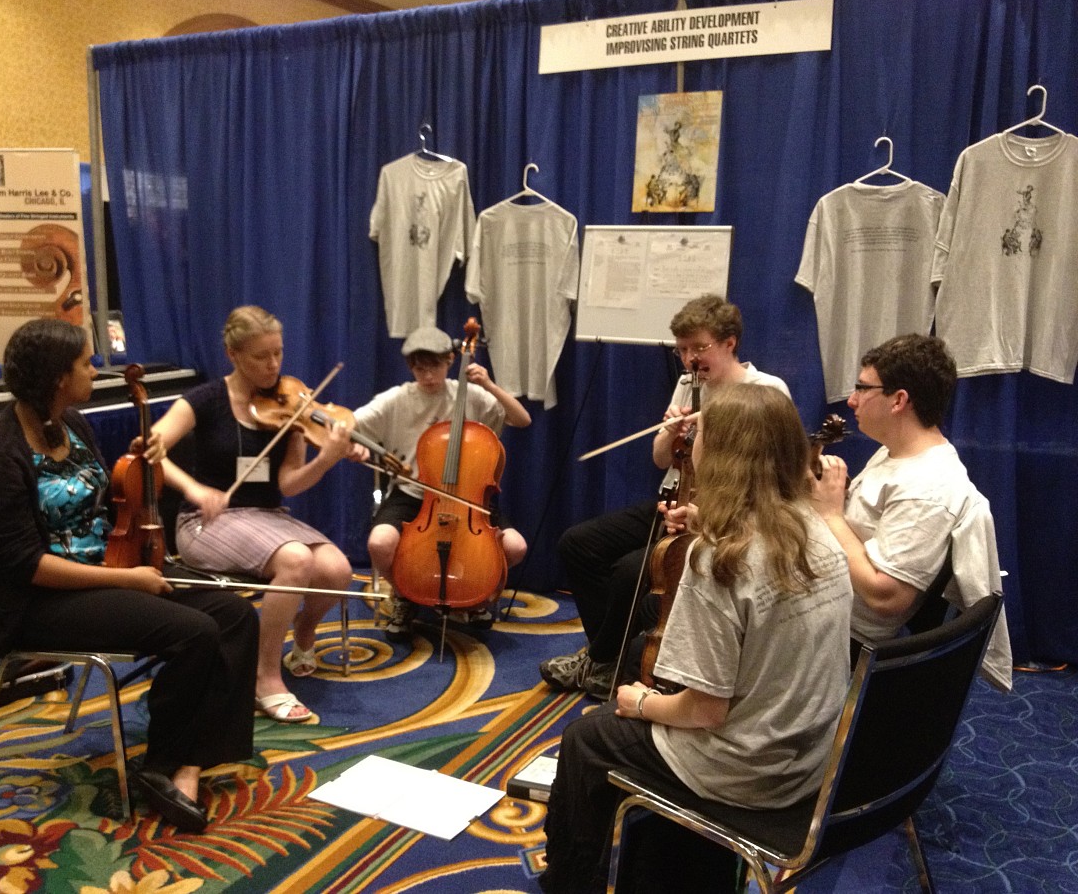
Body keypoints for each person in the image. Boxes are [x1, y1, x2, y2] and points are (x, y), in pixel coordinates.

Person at [540, 385, 853, 893]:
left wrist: (640, 704)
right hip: (812, 763)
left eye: (701, 433)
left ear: (723, 454)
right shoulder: (817, 529)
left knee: (587, 737)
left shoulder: (719, 561)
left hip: (748, 774)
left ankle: (569, 882)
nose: (692, 443)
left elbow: (704, 712)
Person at [0, 318, 258, 834]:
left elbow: (110, 504)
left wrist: (144, 484)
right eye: (85, 362)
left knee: (234, 613)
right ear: (58, 377)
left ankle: (193, 759)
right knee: (194, 632)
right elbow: (25, 566)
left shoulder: (74, 425)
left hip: (108, 569)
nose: (95, 368)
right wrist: (129, 580)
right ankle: (161, 768)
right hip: (38, 603)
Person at [540, 295, 790, 699]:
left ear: (729, 343)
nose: (690, 359)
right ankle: (612, 659)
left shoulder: (765, 389)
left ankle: (604, 659)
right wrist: (672, 433)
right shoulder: (688, 385)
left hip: (724, 513)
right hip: (675, 497)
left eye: (699, 348)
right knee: (578, 544)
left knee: (629, 572)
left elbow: (770, 469)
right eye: (683, 350)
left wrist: (714, 422)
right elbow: (660, 460)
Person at [152, 305, 360, 723]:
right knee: (297, 559)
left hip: (267, 518)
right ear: (233, 355)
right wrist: (194, 488)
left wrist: (328, 459)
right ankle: (265, 677)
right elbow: (149, 449)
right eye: (260, 357)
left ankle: (303, 628)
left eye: (278, 354)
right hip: (204, 522)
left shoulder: (290, 403)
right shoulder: (204, 400)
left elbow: (288, 485)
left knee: (337, 570)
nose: (273, 366)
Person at [351, 325, 531, 642]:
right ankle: (405, 595)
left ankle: (476, 598)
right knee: (379, 543)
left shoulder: (472, 396)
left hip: (469, 499)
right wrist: (354, 443)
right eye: (420, 368)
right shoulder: (396, 400)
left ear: (450, 360)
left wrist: (489, 384)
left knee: (515, 547)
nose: (428, 375)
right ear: (411, 367)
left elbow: (521, 419)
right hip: (413, 495)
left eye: (434, 366)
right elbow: (350, 424)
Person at [810, 333, 971, 639]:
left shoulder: (929, 487)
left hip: (840, 634)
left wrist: (831, 515)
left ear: (899, 400)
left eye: (862, 389)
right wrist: (834, 496)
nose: (851, 400)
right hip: (823, 600)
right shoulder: (894, 449)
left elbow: (886, 596)